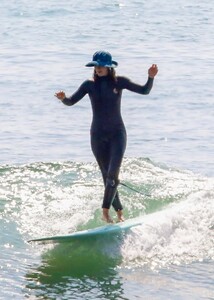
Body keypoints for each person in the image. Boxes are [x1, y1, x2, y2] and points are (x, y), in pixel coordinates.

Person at [55, 51, 158, 223]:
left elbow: (145, 91)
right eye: (96, 65)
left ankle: (105, 213)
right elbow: (71, 101)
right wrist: (63, 98)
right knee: (106, 176)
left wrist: (150, 77)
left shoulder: (120, 82)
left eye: (101, 65)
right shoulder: (89, 85)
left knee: (112, 175)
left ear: (110, 67)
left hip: (117, 134)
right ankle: (119, 213)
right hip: (97, 136)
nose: (98, 68)